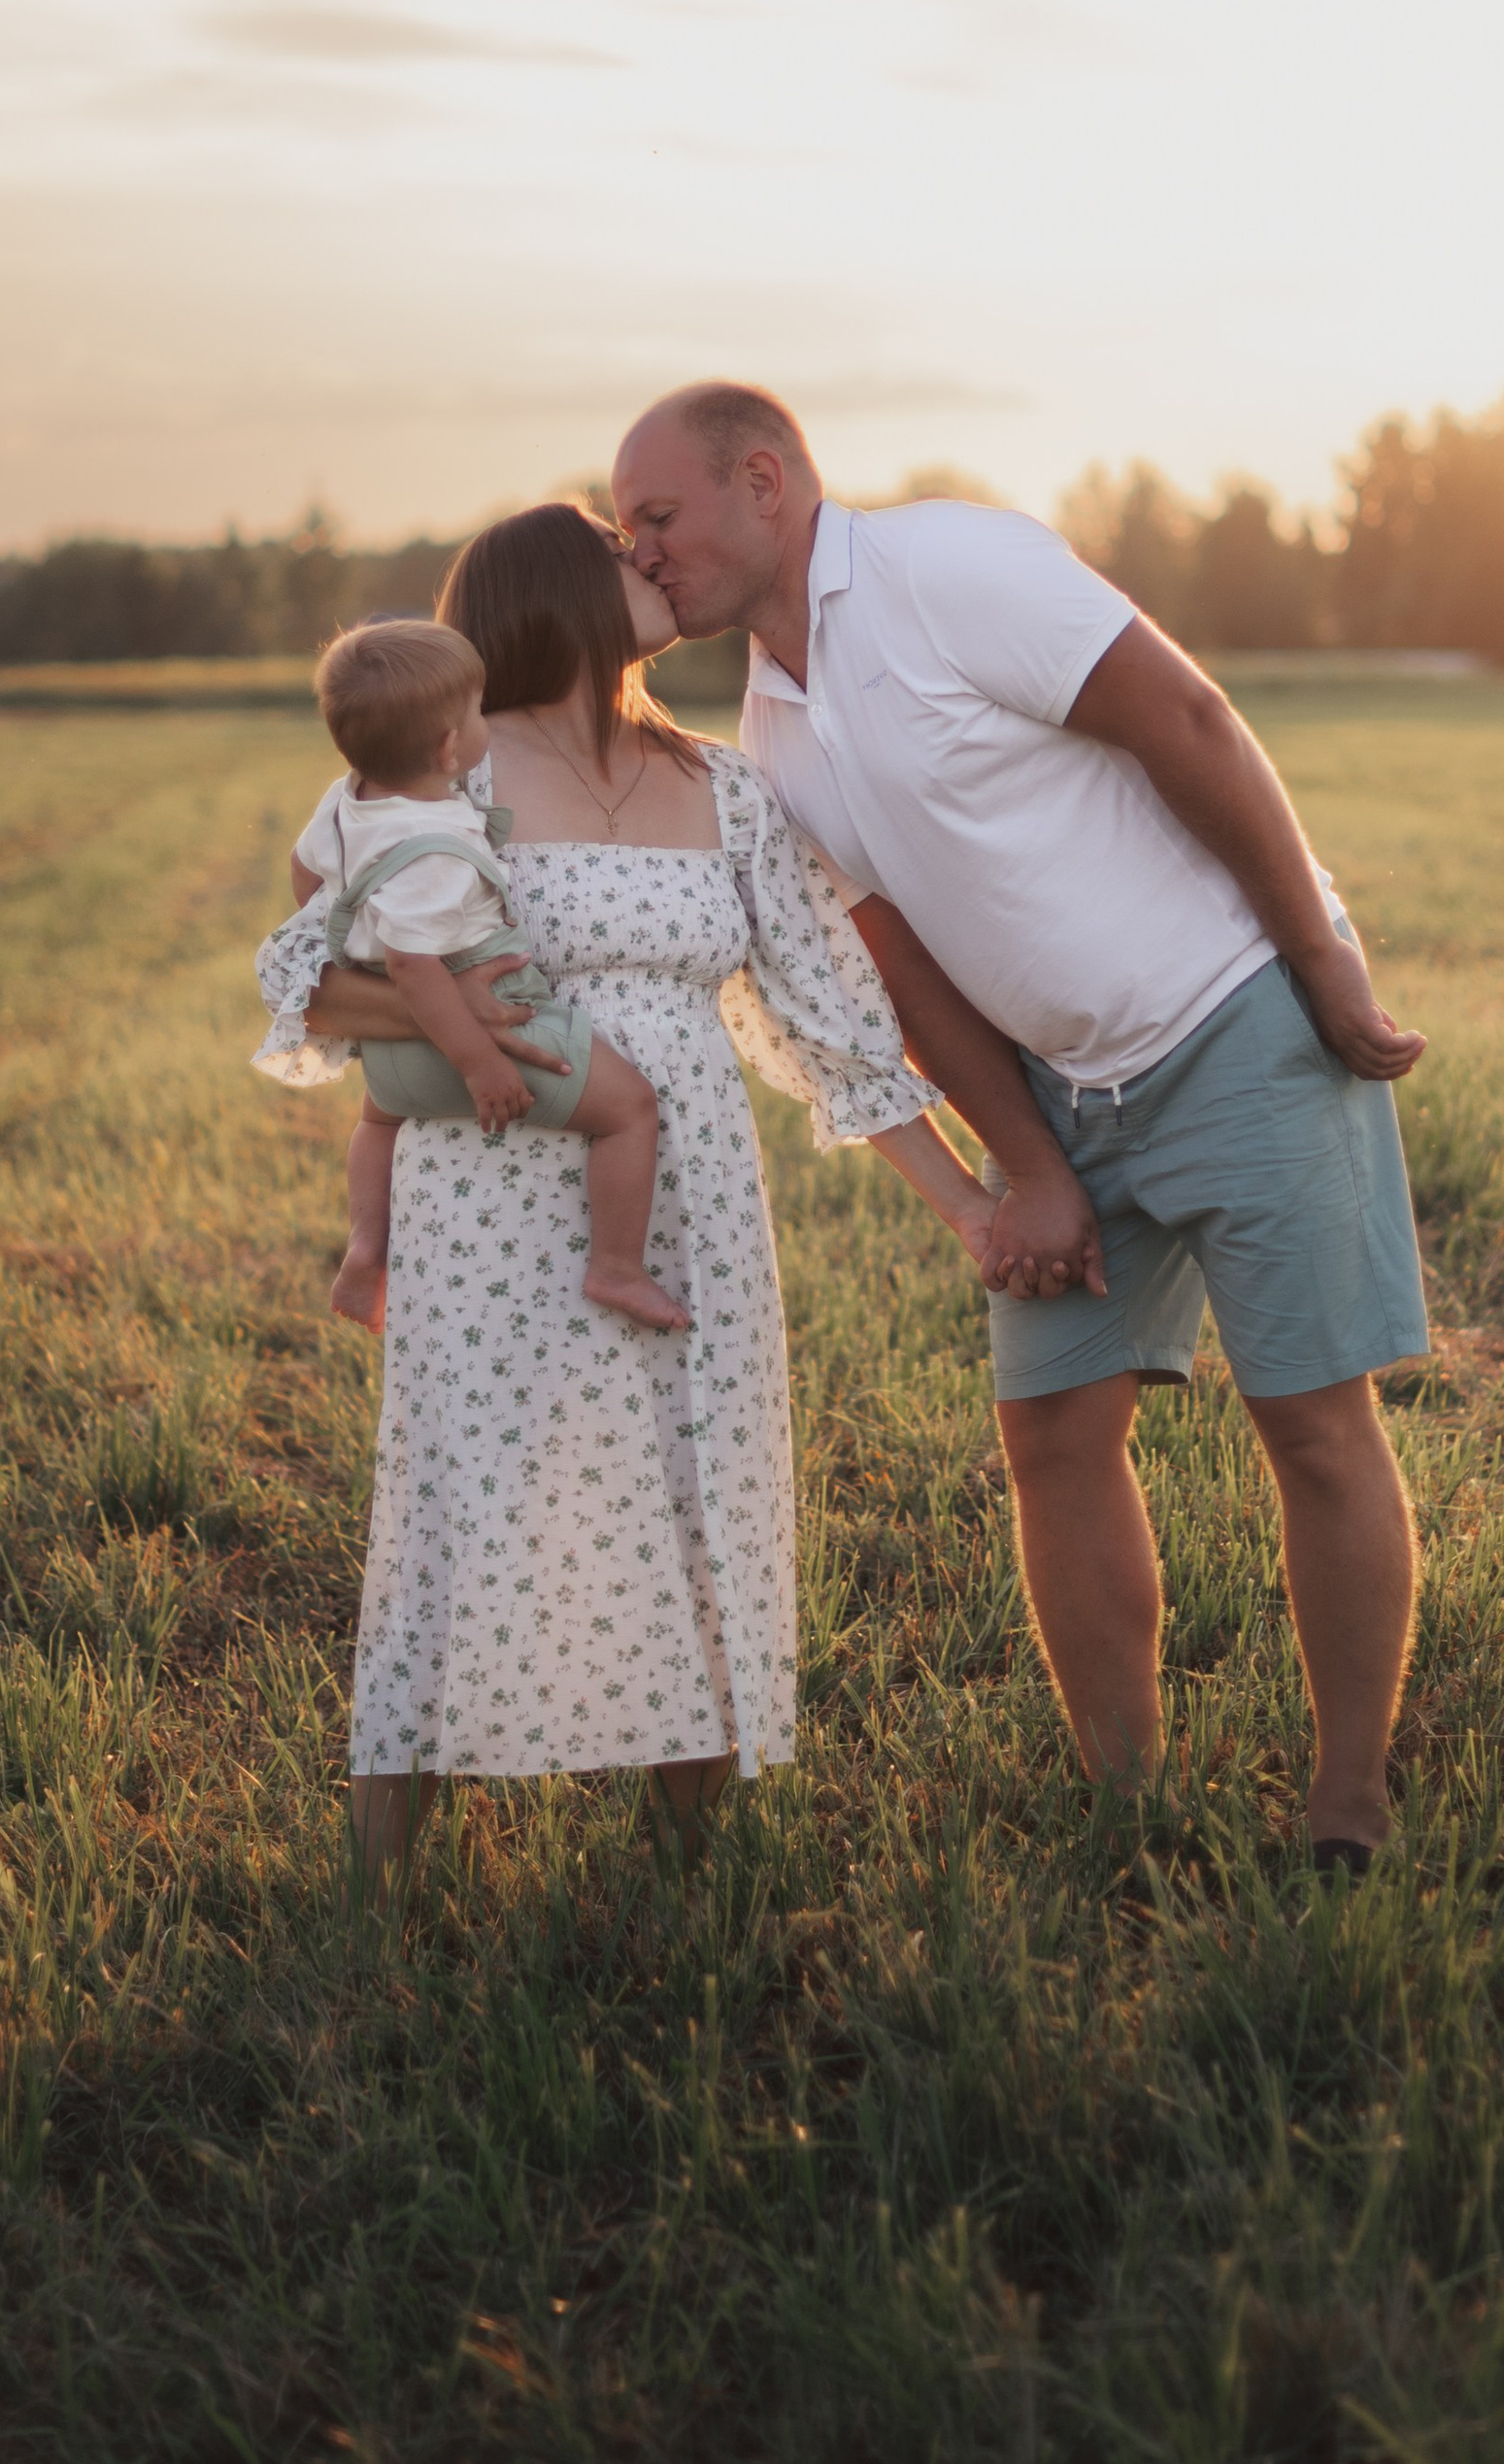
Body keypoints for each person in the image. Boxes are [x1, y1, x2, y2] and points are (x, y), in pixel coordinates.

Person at [611, 384, 1432, 1874]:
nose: (642, 551)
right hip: (1066, 1096)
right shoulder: (773, 726)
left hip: (1236, 1017)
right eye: (626, 531)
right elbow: (901, 962)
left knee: (1310, 1418)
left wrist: (1319, 959)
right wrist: (1033, 1165)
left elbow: (1188, 716)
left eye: (658, 516)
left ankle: (1347, 1805)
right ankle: (1130, 1813)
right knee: (1051, 1435)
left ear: (764, 480)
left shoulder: (951, 568)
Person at [252, 504, 996, 1879]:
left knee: (692, 1481)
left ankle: (684, 1861)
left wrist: (969, 1206)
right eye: (614, 544)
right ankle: (379, 1876)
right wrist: (477, 1022)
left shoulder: (724, 787)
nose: (649, 557)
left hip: (690, 1191)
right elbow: (309, 972)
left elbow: (832, 1016)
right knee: (465, 1500)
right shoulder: (437, 774)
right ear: (548, 589)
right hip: (490, 1193)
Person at [263, 615, 686, 1337]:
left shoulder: (348, 799)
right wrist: (480, 1060)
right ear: (450, 745)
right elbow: (416, 967)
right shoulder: (436, 846)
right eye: (476, 705)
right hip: (479, 1030)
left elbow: (308, 877)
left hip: (393, 1067)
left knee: (376, 1122)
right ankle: (616, 1263)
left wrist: (359, 929)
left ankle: (367, 1245)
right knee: (630, 1109)